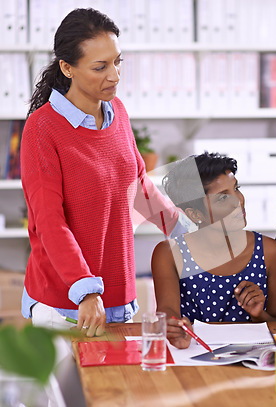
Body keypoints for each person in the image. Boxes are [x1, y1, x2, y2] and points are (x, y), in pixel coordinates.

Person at [20, 8, 190, 337]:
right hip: (67, 305)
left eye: (117, 62)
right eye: (100, 67)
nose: (114, 76)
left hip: (116, 296)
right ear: (67, 68)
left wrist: (189, 234)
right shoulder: (42, 129)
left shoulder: (118, 113)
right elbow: (49, 222)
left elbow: (140, 187)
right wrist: (85, 290)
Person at [151, 152, 276, 349]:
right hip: (194, 362)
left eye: (236, 188)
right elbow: (168, 314)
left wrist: (259, 314)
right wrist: (175, 328)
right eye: (223, 198)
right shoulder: (169, 254)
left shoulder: (269, 251)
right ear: (195, 214)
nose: (239, 200)